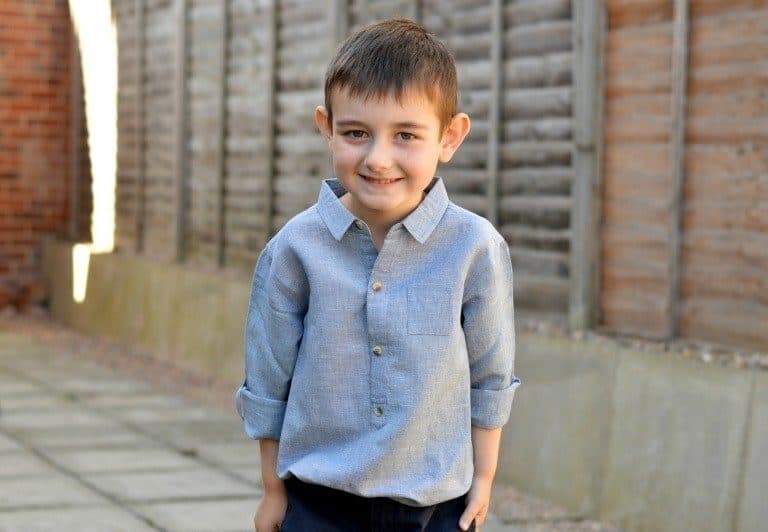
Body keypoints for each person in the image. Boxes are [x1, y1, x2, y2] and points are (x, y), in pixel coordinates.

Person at [235, 17, 521, 532]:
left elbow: (490, 375)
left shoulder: (474, 248)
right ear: (326, 127)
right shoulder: (294, 249)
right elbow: (268, 379)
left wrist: (485, 477)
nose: (378, 158)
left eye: (406, 134)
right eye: (356, 133)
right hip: (319, 503)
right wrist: (273, 490)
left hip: (435, 506)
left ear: (449, 137)